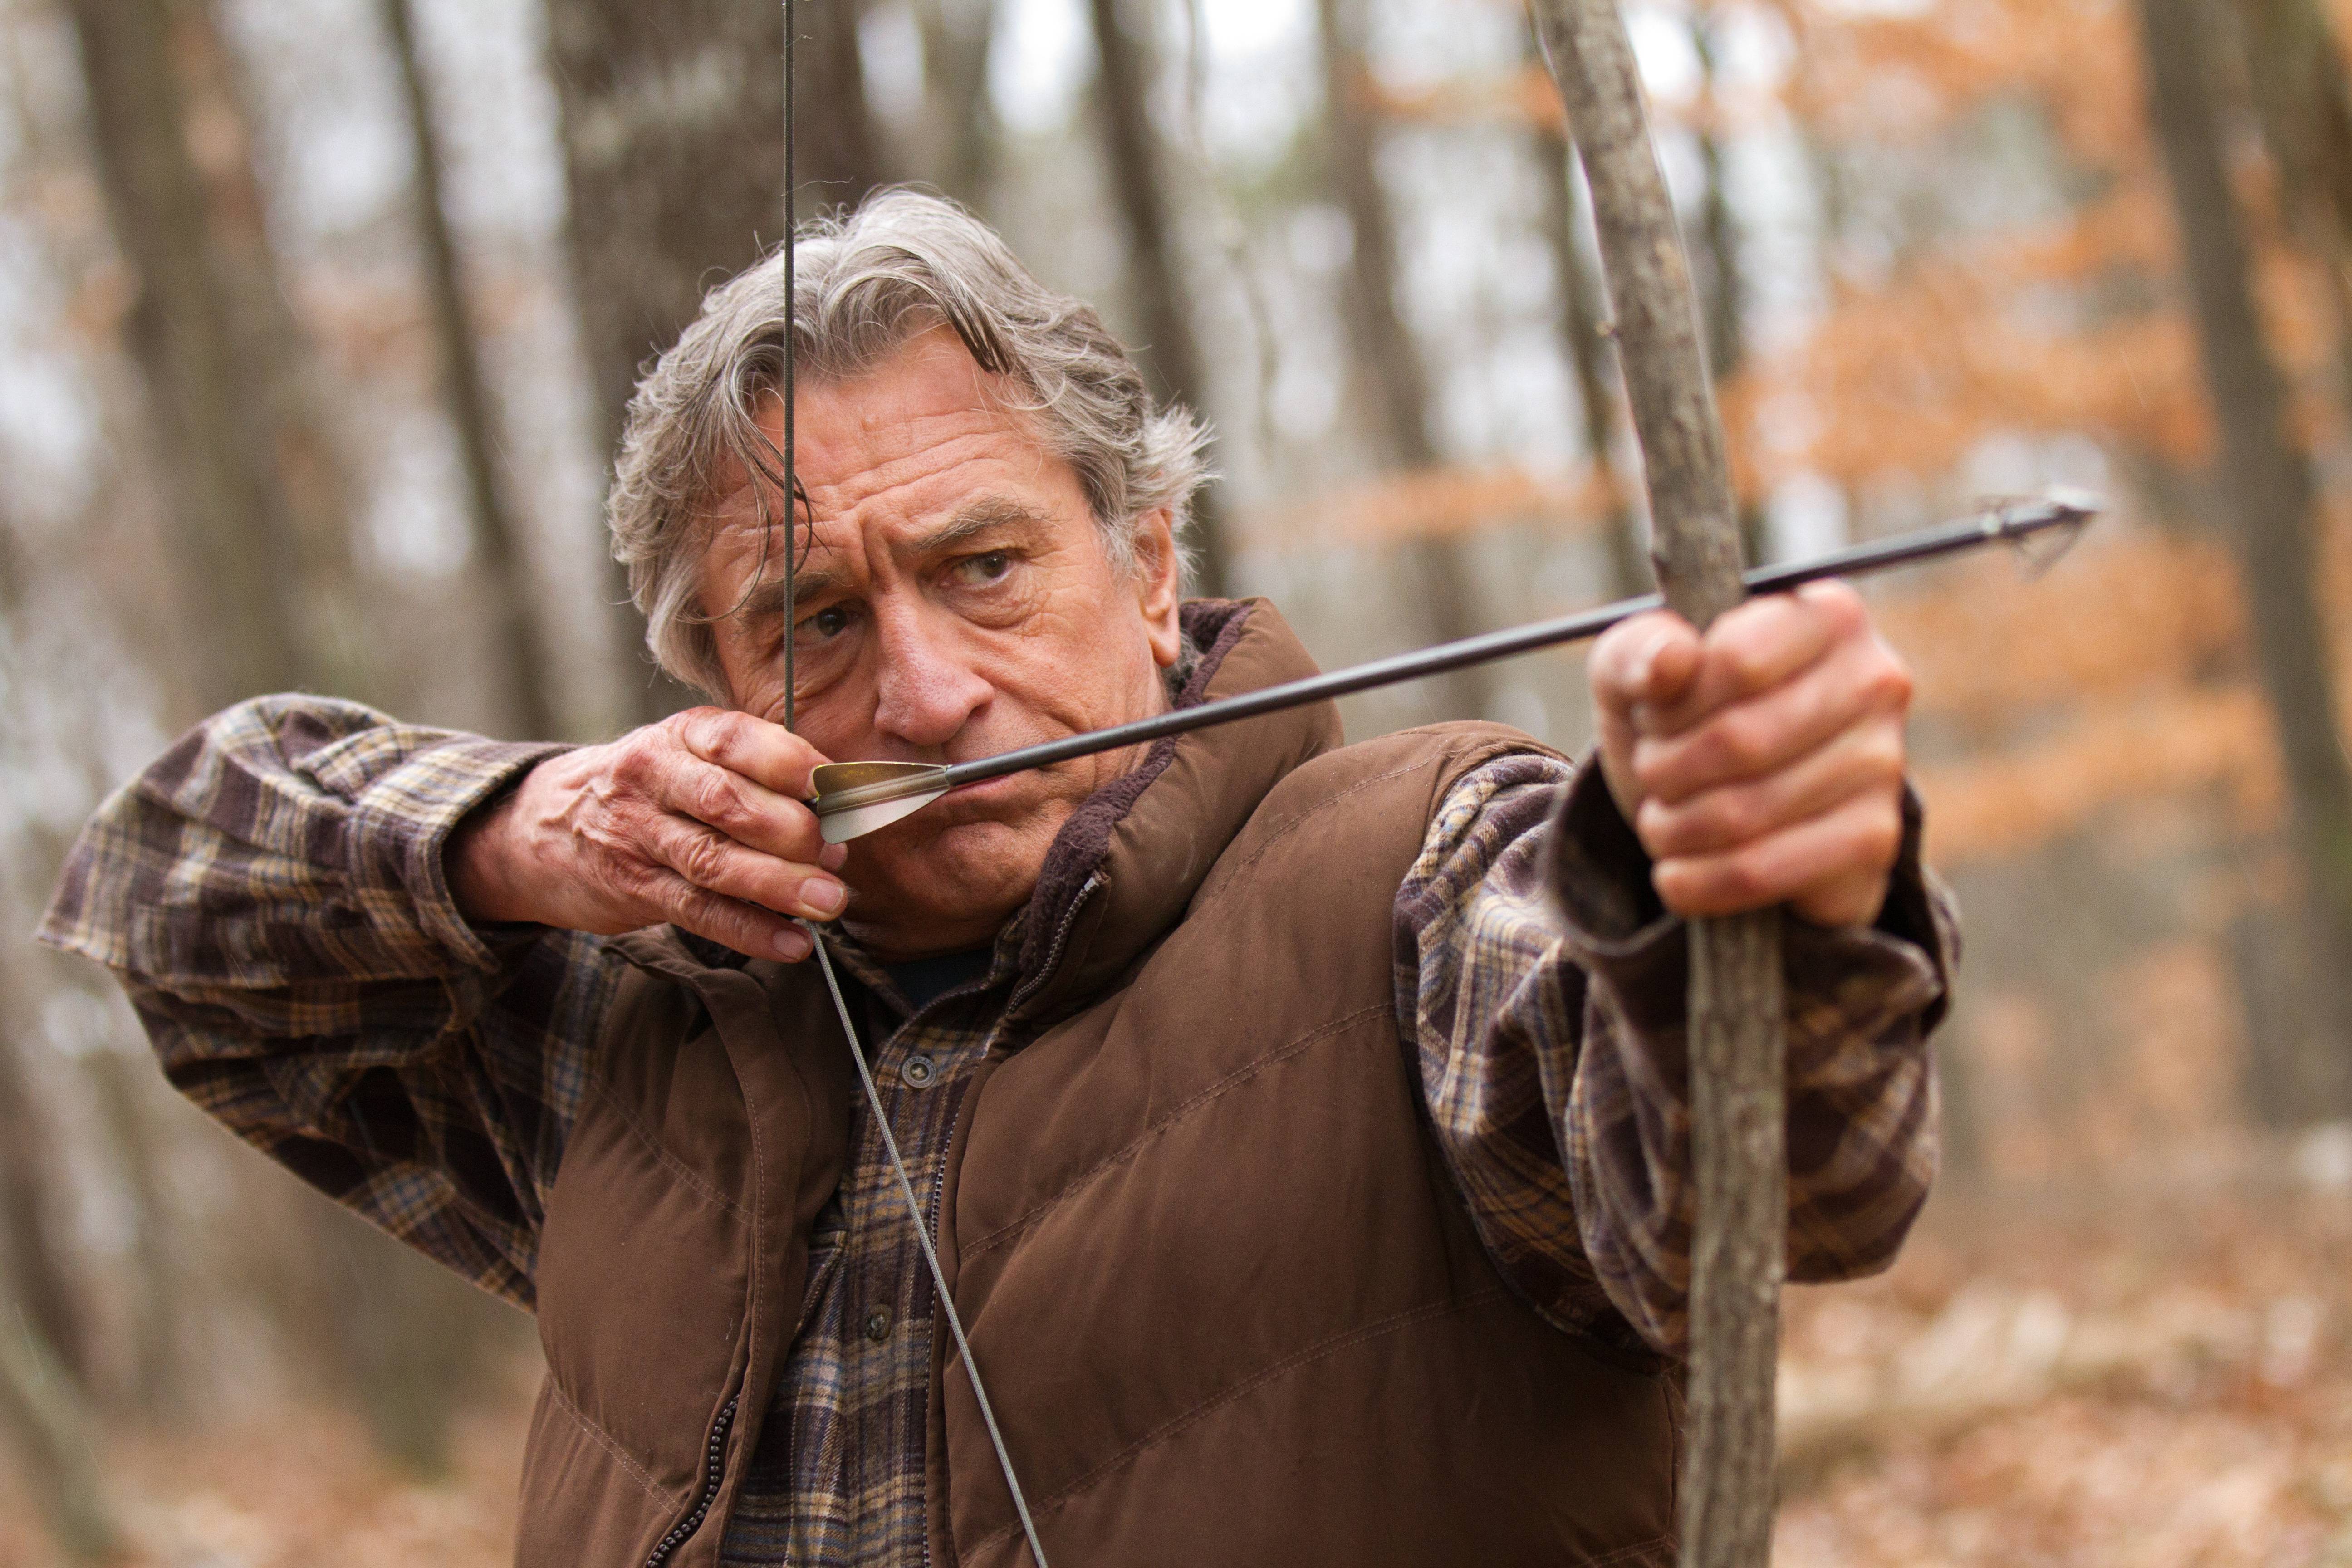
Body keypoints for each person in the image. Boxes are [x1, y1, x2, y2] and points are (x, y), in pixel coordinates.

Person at [41, 190, 1951, 1568]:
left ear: (1145, 563)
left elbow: (1764, 1166)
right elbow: (168, 900)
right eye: (811, 618)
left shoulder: (1427, 880)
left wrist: (1755, 885)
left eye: (984, 567)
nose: (929, 690)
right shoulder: (635, 1033)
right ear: (713, 684)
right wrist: (520, 838)